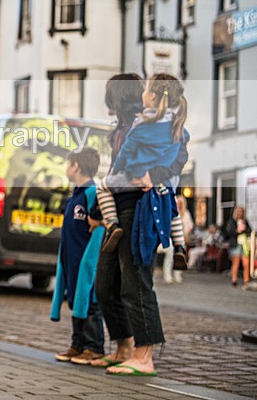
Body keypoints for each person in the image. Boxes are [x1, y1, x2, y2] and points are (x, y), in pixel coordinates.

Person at [91, 74, 188, 376]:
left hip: (139, 208)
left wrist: (155, 175)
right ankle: (124, 347)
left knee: (136, 285)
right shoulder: (125, 127)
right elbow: (116, 170)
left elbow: (178, 159)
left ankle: (144, 356)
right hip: (117, 210)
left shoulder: (155, 124)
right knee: (106, 285)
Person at [95, 74, 189, 270]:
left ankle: (112, 224)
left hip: (135, 198)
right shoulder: (174, 126)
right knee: (172, 207)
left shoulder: (140, 125)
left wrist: (121, 172)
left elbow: (126, 157)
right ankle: (180, 245)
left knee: (134, 286)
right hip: (155, 192)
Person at [51, 148, 105, 365]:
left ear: (76, 166)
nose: (66, 168)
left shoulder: (92, 193)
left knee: (89, 302)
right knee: (75, 299)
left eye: (68, 164)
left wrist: (90, 260)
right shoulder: (75, 194)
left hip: (85, 260)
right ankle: (78, 344)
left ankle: (94, 346)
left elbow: (99, 228)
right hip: (71, 259)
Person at [162, 195, 193, 284]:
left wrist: (185, 234)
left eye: (180, 203)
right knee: (170, 255)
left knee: (179, 256)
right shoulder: (170, 211)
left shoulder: (186, 214)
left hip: (181, 237)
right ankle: (167, 275)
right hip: (170, 237)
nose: (178, 204)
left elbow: (190, 226)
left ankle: (178, 275)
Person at [226, 206, 251, 287]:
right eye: (238, 211)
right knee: (236, 263)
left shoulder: (245, 222)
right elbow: (229, 232)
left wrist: (244, 229)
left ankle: (246, 280)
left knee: (246, 263)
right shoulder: (232, 221)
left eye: (241, 211)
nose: (239, 213)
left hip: (244, 244)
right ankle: (234, 280)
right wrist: (237, 231)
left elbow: (249, 231)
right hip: (235, 244)